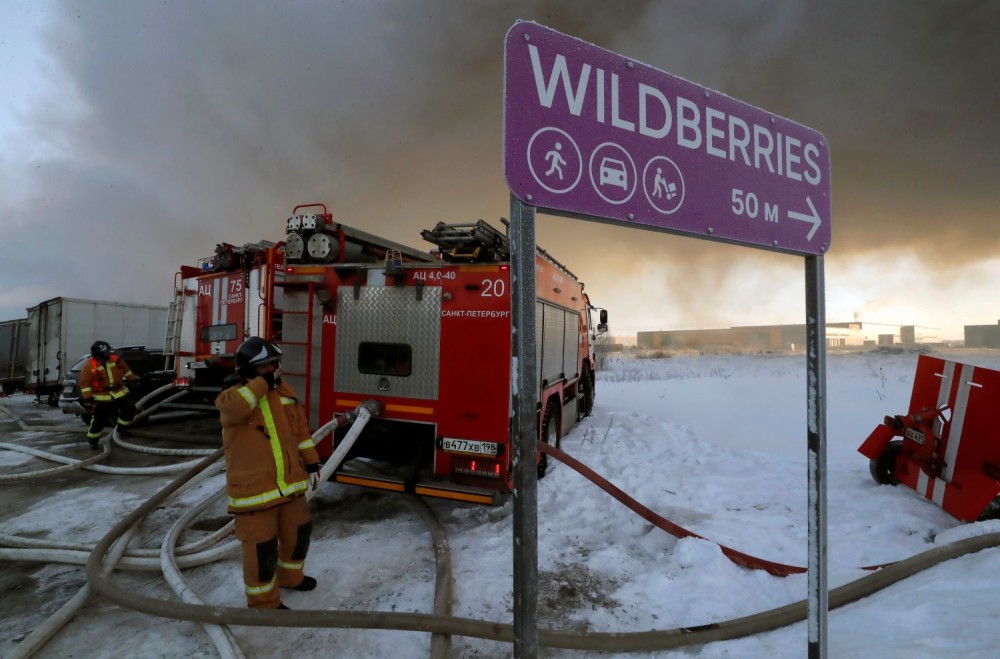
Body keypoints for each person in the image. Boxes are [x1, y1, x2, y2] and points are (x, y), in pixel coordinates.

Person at [215, 337, 322, 610]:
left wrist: (310, 462)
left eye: (276, 364)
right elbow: (234, 409)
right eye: (267, 365)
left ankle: (291, 577)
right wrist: (262, 383)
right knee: (260, 549)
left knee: (299, 532)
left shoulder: (284, 392)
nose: (274, 369)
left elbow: (300, 432)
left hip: (290, 486)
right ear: (250, 368)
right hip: (255, 493)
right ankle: (264, 601)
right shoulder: (232, 396)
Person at [79, 340, 139, 449]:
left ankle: (121, 429)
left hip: (118, 392)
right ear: (98, 355)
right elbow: (85, 384)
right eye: (105, 353)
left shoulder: (115, 360)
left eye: (108, 351)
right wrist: (88, 398)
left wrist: (133, 379)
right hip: (101, 397)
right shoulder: (89, 366)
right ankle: (93, 439)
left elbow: (126, 370)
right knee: (99, 420)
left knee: (130, 408)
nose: (108, 354)